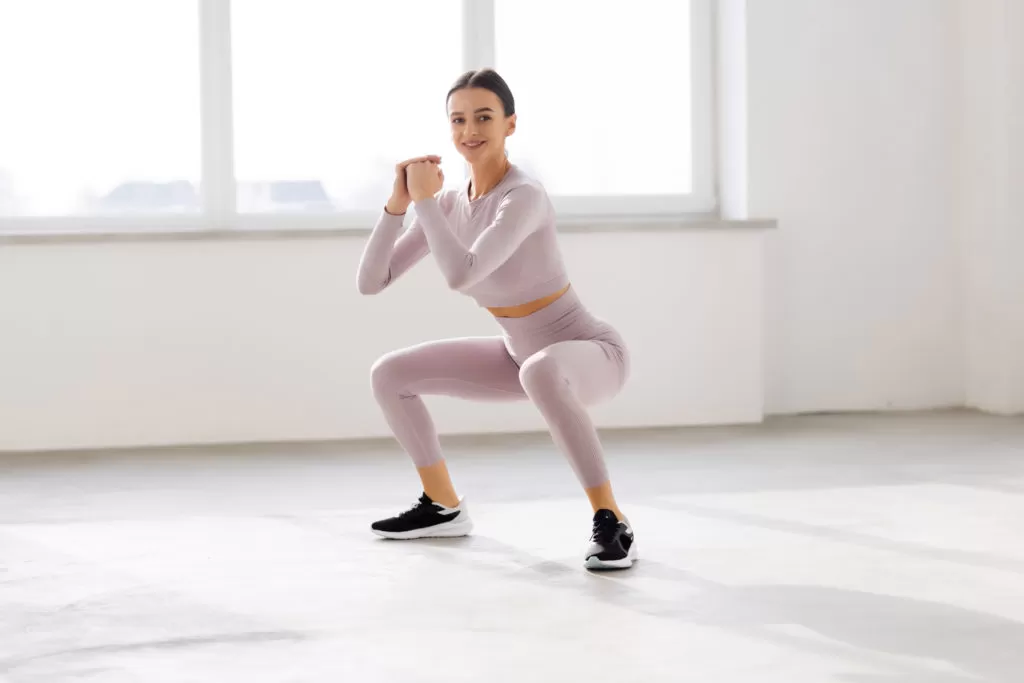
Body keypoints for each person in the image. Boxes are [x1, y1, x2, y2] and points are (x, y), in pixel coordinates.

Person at [356, 68, 636, 570]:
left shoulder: (523, 196)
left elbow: (463, 274)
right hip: (520, 355)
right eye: (458, 119)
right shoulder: (446, 204)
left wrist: (423, 203)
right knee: (389, 374)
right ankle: (442, 506)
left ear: (510, 124)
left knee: (541, 370)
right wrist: (397, 206)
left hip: (590, 353)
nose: (470, 130)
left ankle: (611, 519)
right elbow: (371, 281)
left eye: (484, 117)